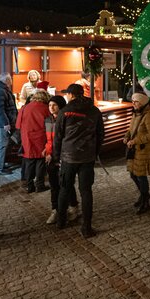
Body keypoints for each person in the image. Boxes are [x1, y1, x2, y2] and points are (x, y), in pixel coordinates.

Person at [53, 84, 104, 238]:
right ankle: (86, 228)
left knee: (64, 189)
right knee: (86, 191)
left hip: (68, 157)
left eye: (67, 94)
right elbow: (100, 134)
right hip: (87, 157)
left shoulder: (65, 111)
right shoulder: (94, 110)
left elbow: (58, 137)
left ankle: (61, 221)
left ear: (71, 95)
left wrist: (56, 156)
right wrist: (95, 152)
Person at [44, 95, 79, 224]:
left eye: (54, 105)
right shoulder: (48, 120)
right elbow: (49, 140)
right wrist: (47, 150)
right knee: (54, 185)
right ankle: (55, 210)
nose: (51, 108)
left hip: (63, 156)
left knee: (66, 184)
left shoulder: (66, 119)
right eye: (49, 105)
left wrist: (56, 154)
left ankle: (73, 206)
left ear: (61, 106)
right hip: (51, 158)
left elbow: (65, 141)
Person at [124, 92, 150, 215]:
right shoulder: (136, 113)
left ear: (143, 102)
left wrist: (135, 141)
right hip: (134, 150)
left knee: (140, 176)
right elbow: (131, 129)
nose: (133, 104)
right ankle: (144, 195)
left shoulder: (149, 115)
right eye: (133, 101)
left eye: (136, 102)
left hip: (143, 151)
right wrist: (126, 136)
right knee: (133, 174)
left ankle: (145, 201)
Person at [16, 89, 51, 193]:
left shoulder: (24, 108)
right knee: (40, 161)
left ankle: (29, 186)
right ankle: (39, 185)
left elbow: (18, 125)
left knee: (29, 162)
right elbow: (49, 125)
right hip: (41, 137)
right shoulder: (46, 108)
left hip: (27, 138)